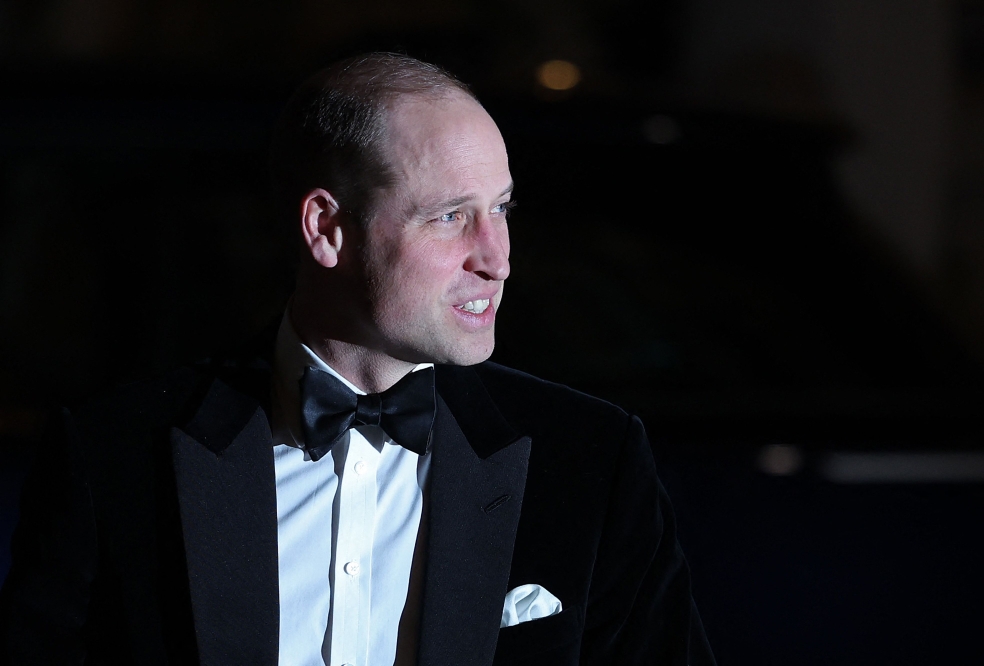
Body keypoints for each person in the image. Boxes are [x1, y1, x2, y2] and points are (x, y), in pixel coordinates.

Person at [0, 53, 714, 666]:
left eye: (501, 208)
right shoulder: (116, 458)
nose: (497, 258)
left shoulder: (592, 461)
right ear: (327, 229)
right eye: (450, 217)